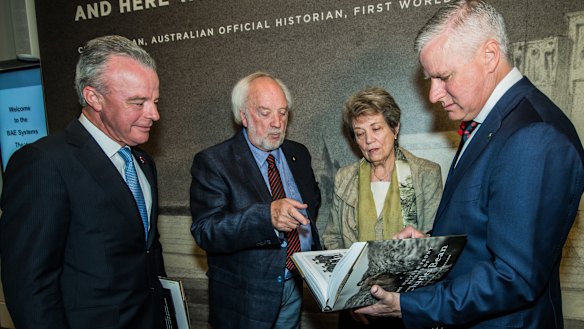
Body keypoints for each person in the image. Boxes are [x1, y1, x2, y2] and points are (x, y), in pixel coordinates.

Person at [354, 1, 584, 328]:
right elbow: (486, 228)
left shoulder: (534, 137)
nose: (433, 94)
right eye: (429, 79)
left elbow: (513, 276)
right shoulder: (490, 121)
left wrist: (410, 305)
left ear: (489, 56)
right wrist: (434, 246)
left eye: (444, 77)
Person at [0, 35, 167, 329]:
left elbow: (146, 252)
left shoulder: (143, 162)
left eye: (154, 101)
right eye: (137, 102)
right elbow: (30, 285)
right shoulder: (44, 163)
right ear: (94, 98)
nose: (153, 114)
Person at [190, 72, 321, 329]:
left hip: (294, 287)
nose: (277, 123)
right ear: (243, 116)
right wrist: (266, 217)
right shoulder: (214, 162)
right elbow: (206, 231)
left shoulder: (299, 154)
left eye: (283, 113)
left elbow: (312, 204)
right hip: (244, 299)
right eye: (265, 112)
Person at [322, 87, 443, 328]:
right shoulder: (345, 177)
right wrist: (351, 298)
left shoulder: (425, 174)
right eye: (359, 133)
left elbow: (435, 242)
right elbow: (333, 239)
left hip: (407, 306)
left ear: (395, 127)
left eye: (376, 129)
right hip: (355, 308)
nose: (368, 140)